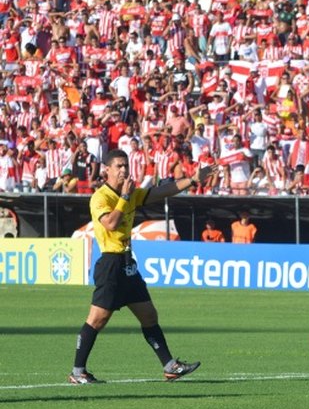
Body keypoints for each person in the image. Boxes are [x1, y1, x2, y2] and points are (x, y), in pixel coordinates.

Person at [69, 149, 210, 385]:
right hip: (111, 264)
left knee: (148, 314)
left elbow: (162, 191)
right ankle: (77, 371)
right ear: (107, 170)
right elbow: (112, 224)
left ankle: (170, 366)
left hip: (127, 263)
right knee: (97, 319)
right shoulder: (101, 197)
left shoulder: (131, 193)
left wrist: (193, 179)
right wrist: (124, 197)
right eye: (119, 166)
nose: (124, 170)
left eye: (126, 165)